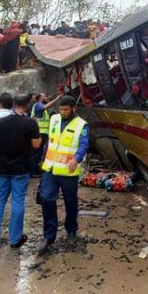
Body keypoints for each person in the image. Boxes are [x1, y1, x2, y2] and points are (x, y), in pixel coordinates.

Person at [0, 94, 41, 248]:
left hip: (2, 167)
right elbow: (36, 145)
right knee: (17, 200)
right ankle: (15, 239)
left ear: (14, 104)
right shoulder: (30, 123)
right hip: (21, 168)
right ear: (27, 105)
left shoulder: (1, 122)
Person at [37, 95, 90, 254]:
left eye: (66, 110)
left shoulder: (82, 125)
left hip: (68, 171)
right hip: (50, 169)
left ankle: (71, 230)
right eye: (61, 109)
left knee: (70, 201)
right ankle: (49, 235)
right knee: (46, 199)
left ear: (74, 108)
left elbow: (83, 145)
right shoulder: (54, 119)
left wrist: (76, 159)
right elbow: (49, 141)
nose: (63, 112)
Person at [31, 93, 62, 177]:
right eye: (44, 96)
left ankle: (35, 170)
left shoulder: (38, 106)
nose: (46, 97)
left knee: (39, 152)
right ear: (40, 98)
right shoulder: (38, 105)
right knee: (37, 153)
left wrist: (48, 100)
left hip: (41, 132)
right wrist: (56, 98)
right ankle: (33, 171)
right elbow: (46, 106)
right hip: (39, 132)